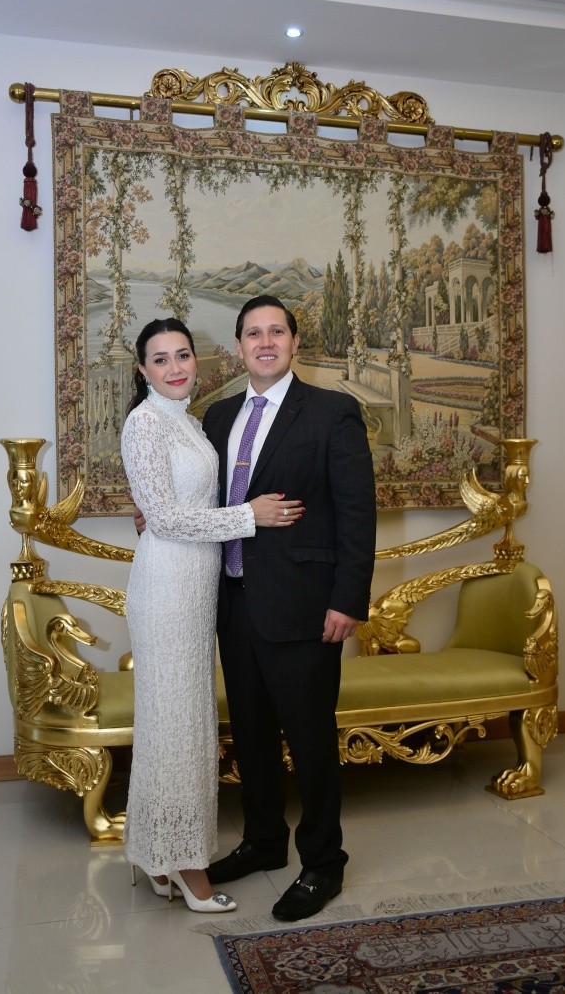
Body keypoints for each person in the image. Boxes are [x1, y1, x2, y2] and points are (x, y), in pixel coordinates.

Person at [136, 295, 376, 922]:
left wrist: (347, 600)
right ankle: (264, 841)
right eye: (252, 333)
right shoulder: (216, 417)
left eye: (276, 332)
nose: (265, 342)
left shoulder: (332, 412)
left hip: (304, 606)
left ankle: (323, 862)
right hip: (230, 602)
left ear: (295, 342)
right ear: (239, 347)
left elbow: (357, 513)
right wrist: (154, 512)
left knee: (311, 737)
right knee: (251, 735)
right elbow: (193, 499)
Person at [121, 317, 304, 915]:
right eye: (160, 359)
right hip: (167, 590)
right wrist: (251, 516)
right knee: (175, 727)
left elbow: (182, 503)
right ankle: (188, 867)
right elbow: (166, 519)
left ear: (196, 360)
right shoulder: (145, 422)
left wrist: (228, 514)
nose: (175, 368)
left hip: (199, 591)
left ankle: (158, 855)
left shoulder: (190, 421)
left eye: (182, 355)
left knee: (180, 725)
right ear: (143, 370)